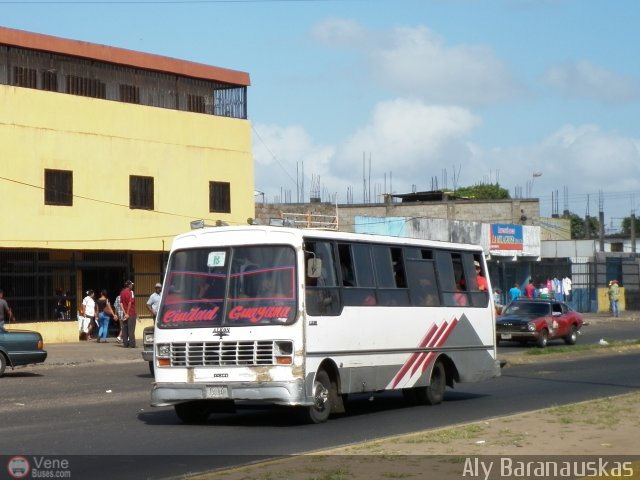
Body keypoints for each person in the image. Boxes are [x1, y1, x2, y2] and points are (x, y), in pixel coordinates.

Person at [119, 280, 137, 348]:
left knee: (124, 329)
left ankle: (125, 343)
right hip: (131, 313)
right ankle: (132, 344)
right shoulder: (131, 292)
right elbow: (130, 302)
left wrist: (124, 313)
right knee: (131, 329)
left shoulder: (122, 292)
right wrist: (127, 313)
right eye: (131, 285)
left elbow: (121, 304)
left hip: (125, 314)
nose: (132, 286)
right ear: (129, 285)